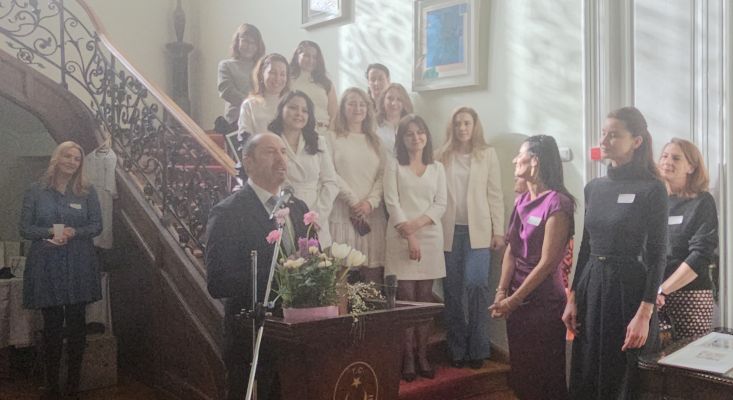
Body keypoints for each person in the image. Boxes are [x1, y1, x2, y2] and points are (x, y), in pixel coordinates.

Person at [565, 106, 667, 399]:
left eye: (614, 135)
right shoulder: (594, 187)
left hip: (629, 290)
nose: (604, 141)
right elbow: (586, 246)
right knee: (587, 370)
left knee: (622, 372)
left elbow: (658, 254)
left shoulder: (653, 189)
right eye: (603, 134)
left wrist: (645, 313)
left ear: (636, 141)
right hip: (592, 287)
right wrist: (573, 297)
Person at [205, 133, 310, 400]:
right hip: (252, 338)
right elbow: (217, 281)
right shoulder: (229, 212)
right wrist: (280, 275)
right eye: (270, 152)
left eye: (284, 152)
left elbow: (311, 260)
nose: (281, 159)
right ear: (248, 162)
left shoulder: (298, 208)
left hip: (295, 337)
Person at [489, 135, 574, 399]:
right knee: (522, 373)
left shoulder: (558, 203)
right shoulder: (522, 201)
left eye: (520, 154)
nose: (515, 160)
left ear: (535, 161)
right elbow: (511, 250)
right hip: (517, 301)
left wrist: (514, 299)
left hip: (544, 302)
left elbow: (548, 262)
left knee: (544, 375)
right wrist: (501, 292)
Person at [20, 141, 103, 399]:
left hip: (79, 262)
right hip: (47, 262)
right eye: (67, 156)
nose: (72, 162)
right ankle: (52, 386)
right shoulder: (36, 191)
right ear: (57, 158)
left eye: (77, 159)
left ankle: (73, 385)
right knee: (52, 324)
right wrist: (49, 232)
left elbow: (97, 225)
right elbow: (25, 229)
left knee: (77, 323)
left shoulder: (87, 192)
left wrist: (73, 232)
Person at [436, 107, 504, 370]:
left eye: (466, 123)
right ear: (451, 128)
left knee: (477, 285)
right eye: (457, 124)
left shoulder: (487, 154)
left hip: (479, 233)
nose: (462, 128)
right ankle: (456, 348)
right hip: (449, 232)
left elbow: (495, 194)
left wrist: (498, 230)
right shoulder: (441, 155)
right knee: (452, 291)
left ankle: (478, 347)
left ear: (475, 125)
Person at [383, 114, 447, 381]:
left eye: (420, 132)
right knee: (406, 301)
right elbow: (391, 201)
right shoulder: (393, 165)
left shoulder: (437, 167)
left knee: (425, 301)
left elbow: (440, 203)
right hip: (400, 237)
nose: (416, 137)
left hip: (430, 236)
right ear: (401, 138)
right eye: (409, 133)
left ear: (427, 136)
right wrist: (409, 234)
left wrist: (416, 226)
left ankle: (423, 354)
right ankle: (407, 356)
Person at [656, 138, 718, 338]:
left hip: (690, 296)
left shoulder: (702, 201)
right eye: (664, 156)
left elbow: (701, 254)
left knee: (687, 356)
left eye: (676, 158)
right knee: (655, 356)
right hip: (653, 298)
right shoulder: (655, 201)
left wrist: (664, 290)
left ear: (691, 167)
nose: (667, 162)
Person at [326, 87, 387, 285]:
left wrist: (370, 202)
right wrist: (352, 201)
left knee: (372, 276)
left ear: (368, 109)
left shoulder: (376, 140)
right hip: (342, 212)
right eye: (351, 103)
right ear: (343, 107)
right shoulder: (331, 137)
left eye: (362, 104)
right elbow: (330, 172)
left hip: (372, 215)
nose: (357, 108)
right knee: (340, 275)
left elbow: (383, 175)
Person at [267, 90, 339, 247]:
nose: (299, 113)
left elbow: (331, 183)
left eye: (305, 110)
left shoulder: (318, 141)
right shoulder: (269, 140)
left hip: (314, 214)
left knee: (314, 259)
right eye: (293, 108)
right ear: (281, 109)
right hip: (281, 211)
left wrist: (316, 216)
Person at [217, 23, 266, 132]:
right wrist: (251, 104)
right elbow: (227, 91)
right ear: (237, 41)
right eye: (245, 41)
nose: (249, 46)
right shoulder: (226, 65)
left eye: (253, 43)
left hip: (261, 120)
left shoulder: (263, 66)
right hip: (235, 121)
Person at [237, 53, 290, 143]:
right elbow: (244, 138)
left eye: (282, 74)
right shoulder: (249, 105)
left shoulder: (292, 103)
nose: (277, 78)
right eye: (272, 73)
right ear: (262, 74)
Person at [289, 40, 338, 130]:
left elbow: (334, 115)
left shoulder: (326, 83)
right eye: (306, 56)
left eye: (315, 57)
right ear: (297, 56)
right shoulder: (287, 80)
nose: (311, 60)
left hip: (323, 131)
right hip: (296, 130)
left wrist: (331, 132)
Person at [375, 83, 413, 156]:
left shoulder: (411, 126)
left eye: (399, 99)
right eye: (390, 98)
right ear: (383, 101)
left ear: (404, 103)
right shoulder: (373, 126)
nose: (393, 103)